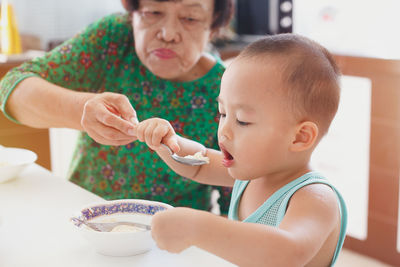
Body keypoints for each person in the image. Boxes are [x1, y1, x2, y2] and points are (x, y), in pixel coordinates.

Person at [0, 0, 234, 213]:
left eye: (190, 18)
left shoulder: (226, 90)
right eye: (153, 12)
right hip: (85, 216)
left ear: (213, 27)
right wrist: (82, 109)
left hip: (173, 239)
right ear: (132, 15)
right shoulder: (114, 38)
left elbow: (237, 199)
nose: (168, 34)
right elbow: (11, 89)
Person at [134, 34, 348, 266]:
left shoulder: (315, 198)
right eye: (223, 113)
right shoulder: (252, 172)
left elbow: (288, 253)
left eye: (242, 120)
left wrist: (198, 228)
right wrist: (168, 142)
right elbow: (198, 165)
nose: (223, 131)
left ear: (299, 137)